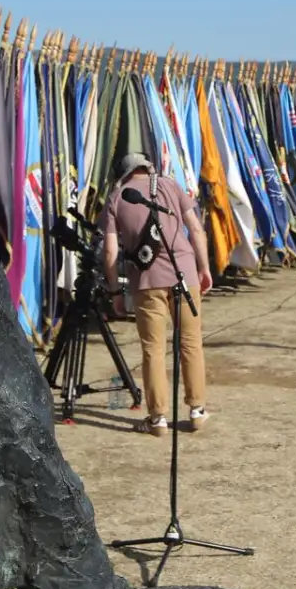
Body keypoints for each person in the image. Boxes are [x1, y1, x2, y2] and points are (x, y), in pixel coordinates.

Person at [101, 153, 214, 438]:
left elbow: (110, 252)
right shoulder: (170, 185)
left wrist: (115, 289)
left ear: (123, 174)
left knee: (153, 349)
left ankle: (158, 418)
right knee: (190, 343)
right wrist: (204, 267)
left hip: (146, 281)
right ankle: (197, 410)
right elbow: (196, 229)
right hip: (184, 274)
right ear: (147, 167)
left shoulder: (116, 198)